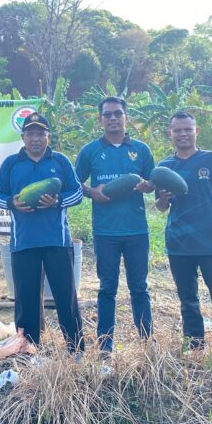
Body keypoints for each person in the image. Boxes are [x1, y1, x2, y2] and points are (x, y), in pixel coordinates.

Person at [0, 112, 86, 355]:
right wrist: (12, 202)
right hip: (23, 242)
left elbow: (77, 194)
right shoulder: (12, 164)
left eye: (40, 134)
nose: (35, 139)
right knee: (26, 300)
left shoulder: (61, 161)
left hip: (57, 241)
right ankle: (28, 349)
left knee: (66, 297)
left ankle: (76, 350)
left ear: (48, 136)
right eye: (30, 134)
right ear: (23, 137)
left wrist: (57, 201)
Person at [155, 111, 212, 357]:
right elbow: (161, 207)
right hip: (179, 244)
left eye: (187, 129)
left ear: (196, 131)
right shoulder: (164, 167)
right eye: (177, 130)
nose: (182, 134)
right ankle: (194, 350)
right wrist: (162, 198)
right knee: (188, 300)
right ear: (170, 133)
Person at [74, 96, 156, 354]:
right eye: (107, 114)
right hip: (105, 232)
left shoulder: (141, 150)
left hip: (137, 231)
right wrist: (91, 192)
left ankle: (146, 343)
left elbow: (155, 182)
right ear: (100, 119)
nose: (112, 118)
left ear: (125, 117)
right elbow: (73, 184)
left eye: (117, 114)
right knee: (107, 288)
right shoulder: (90, 151)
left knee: (139, 287)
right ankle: (105, 346)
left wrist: (148, 185)